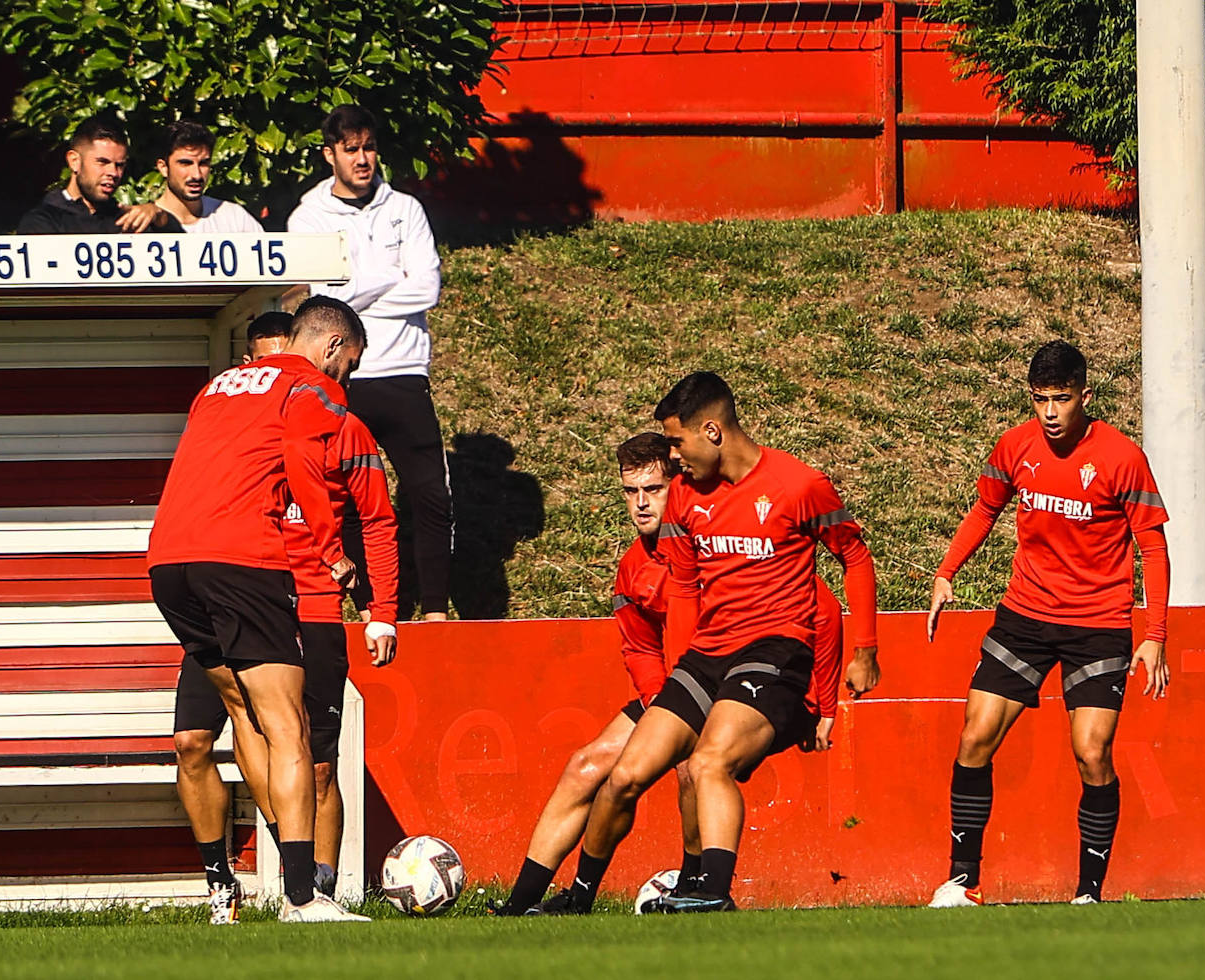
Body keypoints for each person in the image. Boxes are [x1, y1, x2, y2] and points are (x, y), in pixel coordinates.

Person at [550, 372, 881, 913]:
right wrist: (680, 676)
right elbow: (684, 590)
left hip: (775, 650)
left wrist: (864, 650)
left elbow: (855, 557)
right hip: (706, 655)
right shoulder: (685, 495)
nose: (672, 455)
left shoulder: (799, 484)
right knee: (625, 775)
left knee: (709, 762)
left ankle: (712, 892)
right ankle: (578, 898)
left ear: (712, 431)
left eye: (676, 442)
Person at [492, 431, 848, 916]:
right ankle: (524, 905)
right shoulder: (633, 567)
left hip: (754, 683)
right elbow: (640, 648)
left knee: (694, 766)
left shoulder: (723, 539)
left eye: (653, 490)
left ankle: (694, 883)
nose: (641, 503)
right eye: (630, 492)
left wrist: (820, 702)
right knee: (588, 765)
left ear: (679, 485)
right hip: (685, 683)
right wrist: (664, 703)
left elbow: (823, 612)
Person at [169, 312, 399, 924]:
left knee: (257, 721)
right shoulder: (312, 388)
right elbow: (300, 457)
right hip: (245, 566)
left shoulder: (220, 388)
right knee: (281, 726)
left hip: (180, 563)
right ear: (332, 346)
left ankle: (299, 882)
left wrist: (381, 611)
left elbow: (200, 464)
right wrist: (330, 548)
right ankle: (301, 895)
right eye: (348, 364)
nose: (345, 380)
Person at [926, 340, 1170, 908]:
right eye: (1041, 400)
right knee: (974, 737)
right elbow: (985, 509)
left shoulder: (1121, 456)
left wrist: (1155, 634)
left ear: (1086, 396)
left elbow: (1152, 548)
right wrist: (945, 572)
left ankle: (1089, 894)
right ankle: (963, 882)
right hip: (1024, 619)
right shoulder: (1015, 446)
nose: (1051, 412)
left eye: (1062, 399)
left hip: (1098, 624)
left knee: (1091, 752)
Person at [286, 104, 451, 622]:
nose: (362, 159)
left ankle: (435, 609)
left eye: (370, 148)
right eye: (351, 149)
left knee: (429, 495)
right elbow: (322, 303)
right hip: (344, 379)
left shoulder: (406, 208)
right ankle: (370, 609)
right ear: (329, 154)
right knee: (348, 498)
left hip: (404, 372)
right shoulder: (308, 217)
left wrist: (356, 291)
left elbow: (427, 289)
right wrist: (388, 277)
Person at [18, 115, 182, 234]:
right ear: (74, 161)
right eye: (102, 162)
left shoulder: (127, 221)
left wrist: (160, 217)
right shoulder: (42, 222)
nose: (113, 173)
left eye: (119, 165)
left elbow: (184, 256)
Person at [154, 120, 265, 232]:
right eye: (185, 163)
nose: (196, 175)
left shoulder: (235, 218)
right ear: (163, 168)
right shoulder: (147, 225)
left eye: (203, 164)